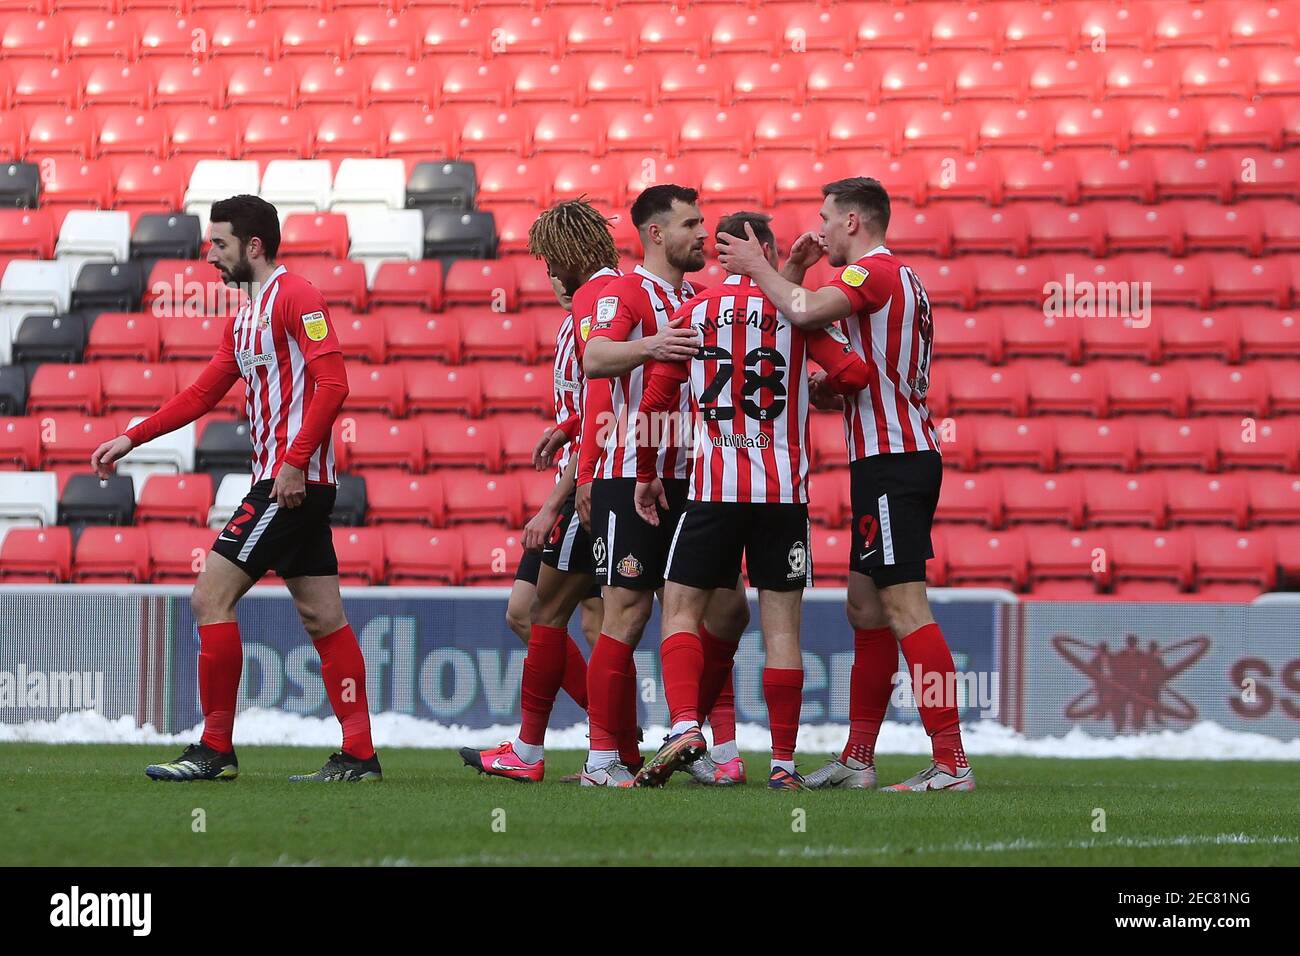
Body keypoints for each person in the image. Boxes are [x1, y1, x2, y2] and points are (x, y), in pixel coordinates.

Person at [90, 195, 380, 783]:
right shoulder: (243, 317)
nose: (209, 255)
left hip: (288, 483)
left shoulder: (299, 296)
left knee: (208, 598)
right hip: (287, 480)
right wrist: (132, 438)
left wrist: (296, 462)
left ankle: (214, 747)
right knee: (323, 616)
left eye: (219, 244)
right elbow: (201, 394)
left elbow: (334, 382)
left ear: (253, 246)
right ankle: (360, 755)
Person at [717, 177, 975, 792]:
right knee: (866, 608)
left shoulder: (873, 274)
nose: (822, 227)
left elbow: (802, 312)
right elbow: (866, 375)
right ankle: (859, 758)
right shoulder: (904, 280)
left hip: (895, 458)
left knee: (905, 604)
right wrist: (832, 388)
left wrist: (761, 267)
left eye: (828, 216)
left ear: (854, 221)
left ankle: (951, 762)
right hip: (887, 458)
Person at [631, 212, 872, 790]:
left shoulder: (692, 311)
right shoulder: (798, 311)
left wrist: (646, 473)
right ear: (766, 250)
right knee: (782, 629)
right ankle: (784, 766)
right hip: (782, 492)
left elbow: (655, 402)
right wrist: (825, 388)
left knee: (682, 610)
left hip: (713, 489)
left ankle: (687, 725)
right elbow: (856, 373)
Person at [577, 184, 755, 788]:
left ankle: (687, 732)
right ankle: (603, 757)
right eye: (691, 224)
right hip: (630, 473)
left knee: (729, 611)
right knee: (625, 613)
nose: (703, 235)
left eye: (703, 223)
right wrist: (651, 345)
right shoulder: (624, 291)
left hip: (698, 476)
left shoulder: (703, 298)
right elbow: (594, 358)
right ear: (656, 234)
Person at [460, 200, 615, 782]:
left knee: (544, 612)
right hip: (583, 479)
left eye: (551, 261)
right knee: (566, 616)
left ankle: (573, 747)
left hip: (589, 487)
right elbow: (593, 411)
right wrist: (568, 433)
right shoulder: (584, 316)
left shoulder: (595, 315)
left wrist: (558, 498)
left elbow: (606, 413)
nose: (548, 274)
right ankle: (617, 739)